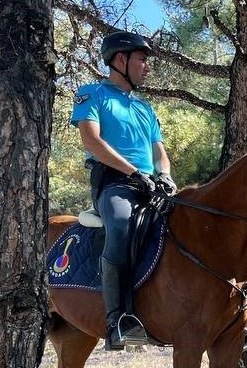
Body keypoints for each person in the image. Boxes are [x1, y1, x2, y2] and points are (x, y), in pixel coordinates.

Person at [71, 30, 176, 350]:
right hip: (115, 185)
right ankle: (117, 319)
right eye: (142, 60)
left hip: (152, 186)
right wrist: (133, 173)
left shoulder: (145, 109)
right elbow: (92, 141)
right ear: (120, 60)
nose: (147, 66)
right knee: (121, 224)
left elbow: (160, 153)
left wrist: (166, 176)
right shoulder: (92, 95)